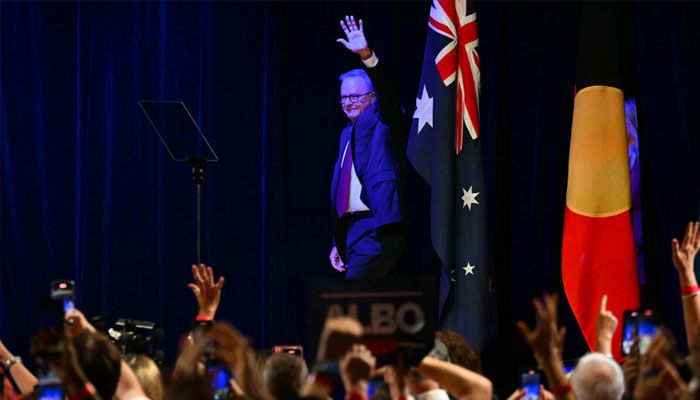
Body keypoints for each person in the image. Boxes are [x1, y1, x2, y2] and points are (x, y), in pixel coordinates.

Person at [329, 15, 408, 279]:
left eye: (355, 96)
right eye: (343, 97)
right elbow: (346, 190)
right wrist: (337, 242)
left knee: (350, 302)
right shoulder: (345, 134)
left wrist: (366, 55)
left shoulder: (380, 119)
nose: (348, 102)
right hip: (352, 232)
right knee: (375, 308)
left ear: (372, 98)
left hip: (377, 227)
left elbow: (388, 95)